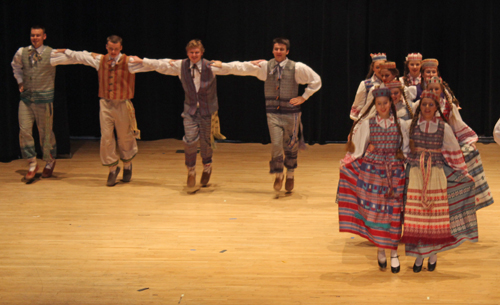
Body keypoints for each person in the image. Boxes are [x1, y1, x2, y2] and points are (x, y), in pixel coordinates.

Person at [211, 37, 322, 192]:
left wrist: (304, 97)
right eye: (276, 49)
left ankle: (290, 174)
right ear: (272, 50)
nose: (278, 52)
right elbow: (241, 68)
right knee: (276, 144)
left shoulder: (297, 67)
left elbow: (316, 80)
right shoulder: (265, 66)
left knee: (290, 144)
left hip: (291, 113)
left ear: (287, 51)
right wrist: (222, 65)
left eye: (281, 49)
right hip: (273, 113)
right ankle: (278, 174)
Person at [130, 39, 232, 188]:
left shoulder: (211, 66)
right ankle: (191, 171)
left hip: (207, 110)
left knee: (205, 142)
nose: (194, 55)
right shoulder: (181, 65)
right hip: (190, 110)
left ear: (202, 53)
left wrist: (252, 64)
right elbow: (160, 64)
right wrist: (143, 60)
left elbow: (234, 68)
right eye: (191, 52)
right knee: (189, 140)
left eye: (197, 52)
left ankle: (207, 167)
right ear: (187, 53)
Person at [401, 90, 477, 273]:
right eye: (424, 104)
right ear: (420, 106)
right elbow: (404, 150)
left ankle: (433, 254)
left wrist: (463, 173)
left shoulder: (444, 128)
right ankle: (419, 257)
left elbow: (453, 152)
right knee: (417, 217)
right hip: (416, 174)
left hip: (435, 173)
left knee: (434, 216)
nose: (427, 108)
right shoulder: (410, 125)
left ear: (436, 107)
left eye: (431, 104)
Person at [59, 35, 147, 186]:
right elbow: (81, 56)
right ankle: (112, 169)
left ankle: (127, 165)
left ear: (121, 48)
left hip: (122, 103)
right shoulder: (100, 60)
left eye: (116, 49)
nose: (113, 52)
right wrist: (67, 50)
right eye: (110, 49)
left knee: (124, 136)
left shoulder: (130, 62)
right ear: (106, 47)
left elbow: (154, 65)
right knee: (106, 137)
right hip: (105, 104)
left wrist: (151, 62)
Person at [338, 87, 409, 273]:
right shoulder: (368, 124)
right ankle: (380, 248)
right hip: (374, 172)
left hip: (395, 173)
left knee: (394, 213)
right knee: (377, 212)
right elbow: (358, 149)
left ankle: (393, 252)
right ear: (375, 105)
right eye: (379, 104)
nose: (383, 106)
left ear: (390, 104)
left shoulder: (401, 124)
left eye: (386, 103)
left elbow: (407, 149)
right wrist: (347, 163)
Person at [414, 76, 493, 210]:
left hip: (446, 142)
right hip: (426, 144)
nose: (433, 91)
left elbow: (457, 125)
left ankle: (465, 200)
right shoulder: (420, 106)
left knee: (470, 154)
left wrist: (468, 140)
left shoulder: (448, 107)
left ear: (441, 90)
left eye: (436, 89)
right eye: (430, 89)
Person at [11, 25, 74, 182]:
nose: (35, 38)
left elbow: (73, 58)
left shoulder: (51, 54)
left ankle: (50, 160)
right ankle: (32, 163)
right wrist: (20, 82)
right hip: (26, 99)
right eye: (33, 35)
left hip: (44, 100)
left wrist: (82, 54)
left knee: (45, 133)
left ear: (44, 36)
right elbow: (15, 66)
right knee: (24, 131)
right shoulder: (22, 52)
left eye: (38, 35)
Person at [350, 53, 386, 120]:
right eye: (377, 67)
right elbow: (358, 106)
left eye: (383, 67)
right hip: (369, 121)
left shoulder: (392, 83)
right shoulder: (366, 84)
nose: (380, 70)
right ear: (373, 68)